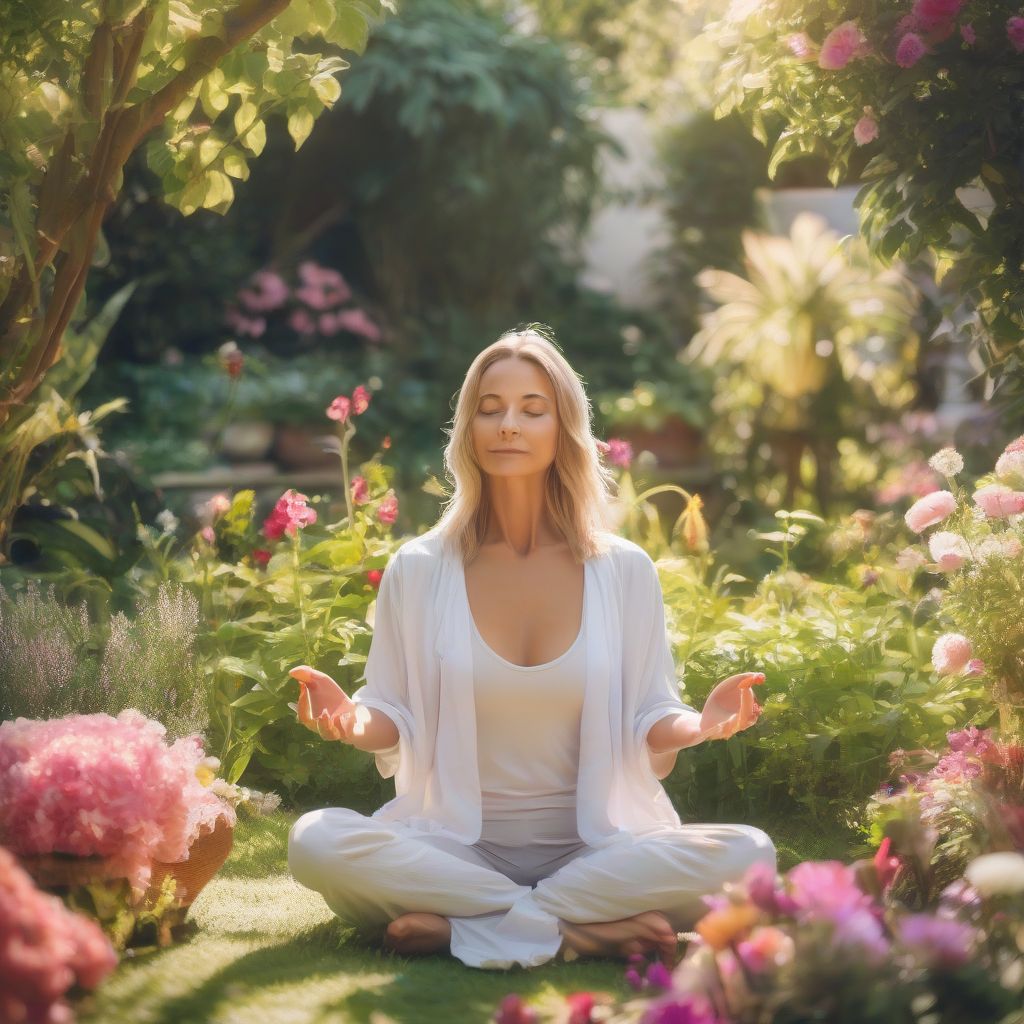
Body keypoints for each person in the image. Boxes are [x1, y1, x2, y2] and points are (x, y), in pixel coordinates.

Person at [287, 325, 775, 971]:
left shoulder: (624, 569)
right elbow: (392, 714)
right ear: (467, 429)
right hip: (455, 851)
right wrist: (350, 721)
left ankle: (463, 927)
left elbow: (649, 714)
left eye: (531, 409)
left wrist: (700, 725)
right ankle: (584, 932)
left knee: (752, 852)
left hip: (598, 852)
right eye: (489, 410)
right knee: (314, 841)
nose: (508, 425)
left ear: (563, 428)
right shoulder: (421, 567)